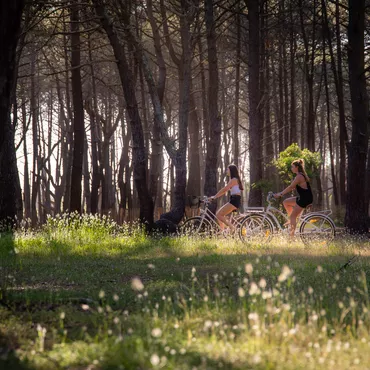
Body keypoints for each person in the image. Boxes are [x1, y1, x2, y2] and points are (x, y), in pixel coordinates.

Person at [274, 158, 313, 236]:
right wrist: (281, 193)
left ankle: (291, 237)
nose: (291, 168)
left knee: (293, 216)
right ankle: (292, 219)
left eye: (292, 167)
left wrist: (280, 194)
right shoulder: (299, 175)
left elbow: (291, 187)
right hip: (303, 197)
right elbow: (291, 187)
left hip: (305, 199)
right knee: (286, 202)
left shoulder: (299, 176)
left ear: (297, 167)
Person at [210, 164, 244, 232]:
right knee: (220, 215)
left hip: (234, 200)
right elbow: (224, 191)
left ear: (231, 170)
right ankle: (223, 232)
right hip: (233, 199)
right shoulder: (233, 180)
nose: (226, 171)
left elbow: (224, 189)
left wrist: (215, 196)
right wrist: (215, 197)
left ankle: (232, 228)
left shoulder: (234, 180)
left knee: (219, 215)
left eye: (227, 169)